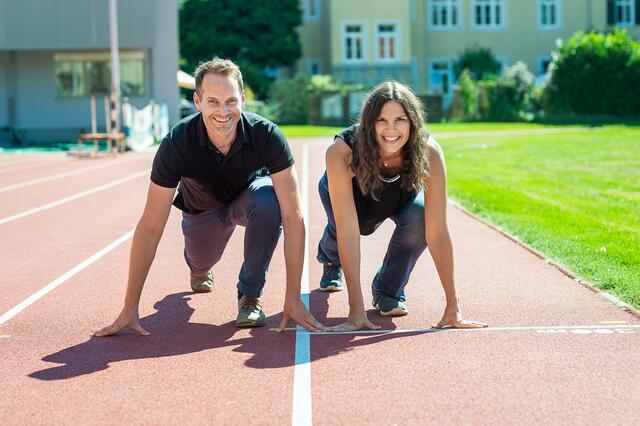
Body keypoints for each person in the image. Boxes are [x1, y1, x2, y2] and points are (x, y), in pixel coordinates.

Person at [95, 58, 325, 336]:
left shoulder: (267, 135)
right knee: (201, 261)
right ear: (198, 101)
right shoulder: (176, 143)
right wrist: (130, 307)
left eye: (230, 101)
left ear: (242, 100)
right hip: (201, 212)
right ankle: (199, 268)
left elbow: (293, 215)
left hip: (247, 201)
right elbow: (150, 226)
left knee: (269, 200)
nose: (223, 111)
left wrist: (293, 298)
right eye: (213, 101)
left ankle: (249, 296)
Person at [316, 80, 487, 331]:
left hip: (397, 195)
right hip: (350, 196)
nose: (391, 129)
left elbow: (437, 232)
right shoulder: (342, 152)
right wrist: (355, 312)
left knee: (420, 216)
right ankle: (331, 258)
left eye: (400, 120)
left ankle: (388, 289)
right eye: (381, 120)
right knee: (345, 228)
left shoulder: (429, 152)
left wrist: (453, 307)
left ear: (413, 122)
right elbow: (350, 234)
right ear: (369, 122)